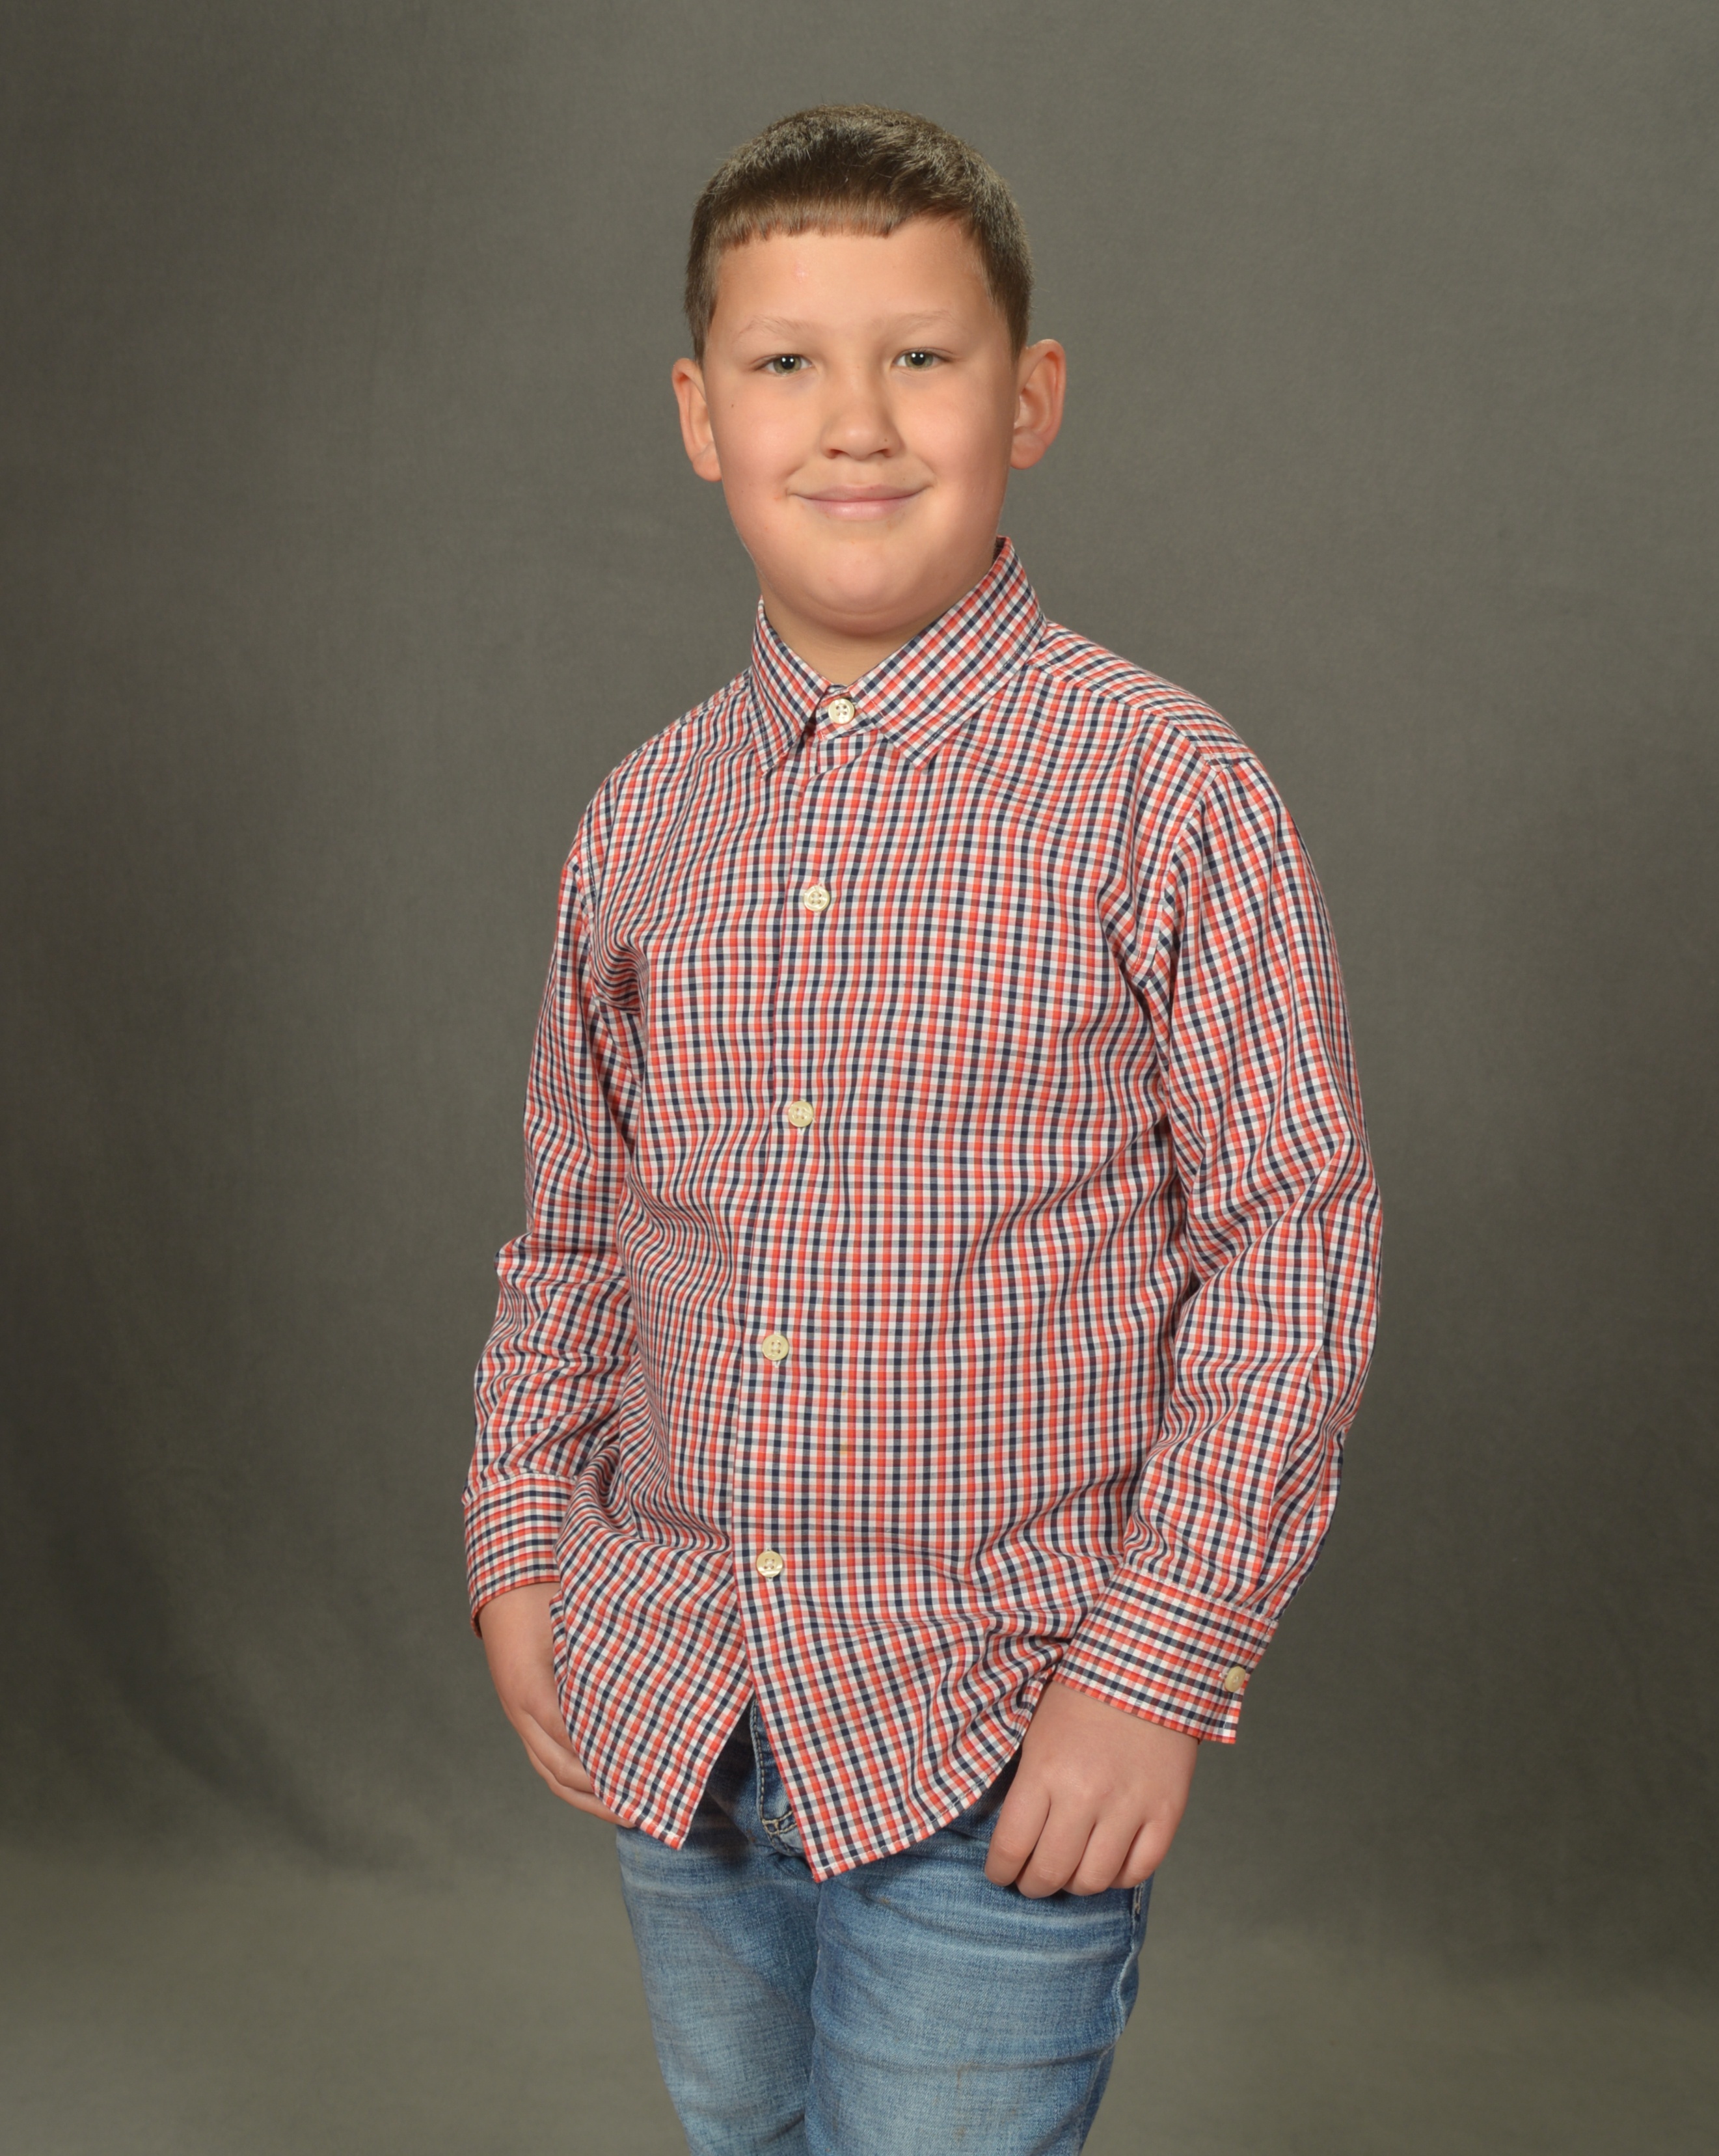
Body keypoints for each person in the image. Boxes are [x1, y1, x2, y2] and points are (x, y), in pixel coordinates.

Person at [463, 104, 1381, 2155]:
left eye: (920, 357)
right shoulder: (640, 817)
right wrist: (516, 1533)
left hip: (999, 1722)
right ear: (699, 415)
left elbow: (1294, 1240)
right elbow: (574, 1232)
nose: (855, 421)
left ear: (1027, 397)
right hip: (679, 1703)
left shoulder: (1165, 794)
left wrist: (1154, 1664)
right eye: (787, 361)